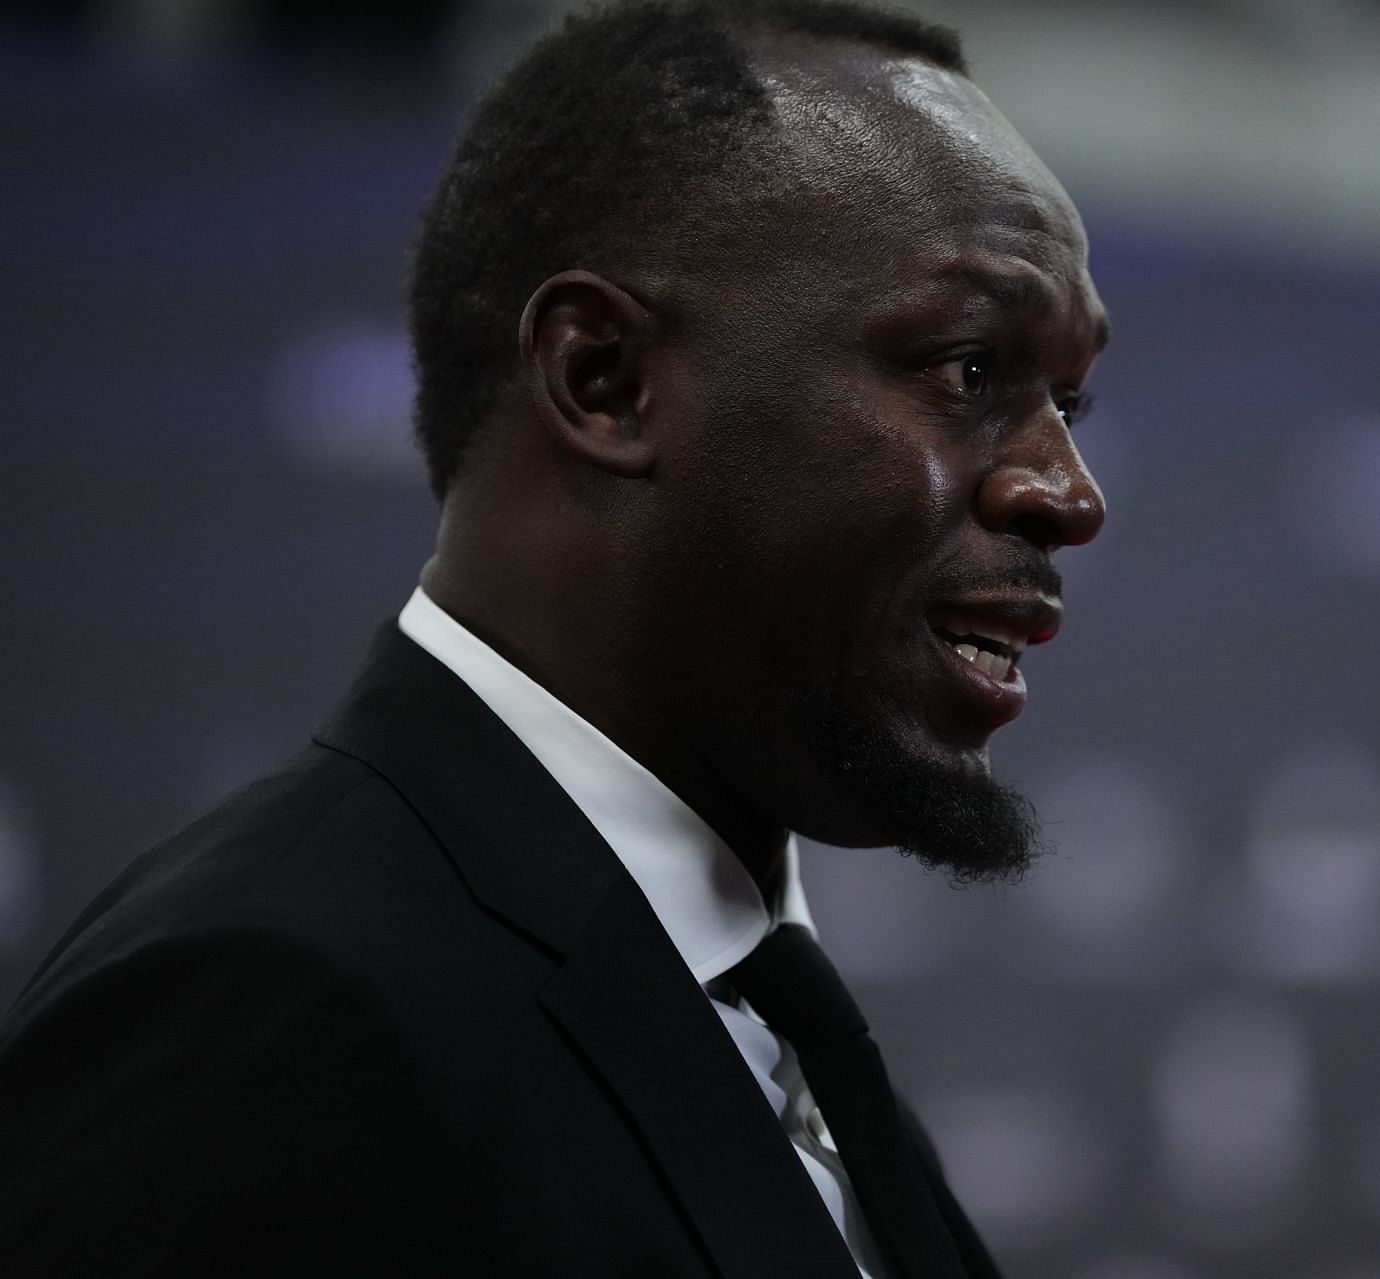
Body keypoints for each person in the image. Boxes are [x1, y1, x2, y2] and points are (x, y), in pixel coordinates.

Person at [0, 0, 1108, 1275]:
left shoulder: (784, 1039)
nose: (1070, 493)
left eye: (1068, 399)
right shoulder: (271, 1014)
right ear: (604, 379)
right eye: (972, 370)